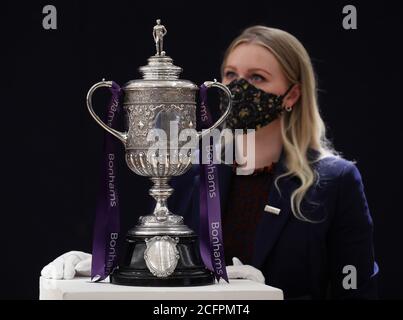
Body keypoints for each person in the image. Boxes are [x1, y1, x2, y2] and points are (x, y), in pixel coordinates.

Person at [41, 25, 378, 299]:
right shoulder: (192, 169)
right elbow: (169, 276)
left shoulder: (336, 180)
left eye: (257, 77)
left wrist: (267, 296)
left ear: (292, 94)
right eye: (231, 76)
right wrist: (108, 268)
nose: (240, 87)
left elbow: (358, 292)